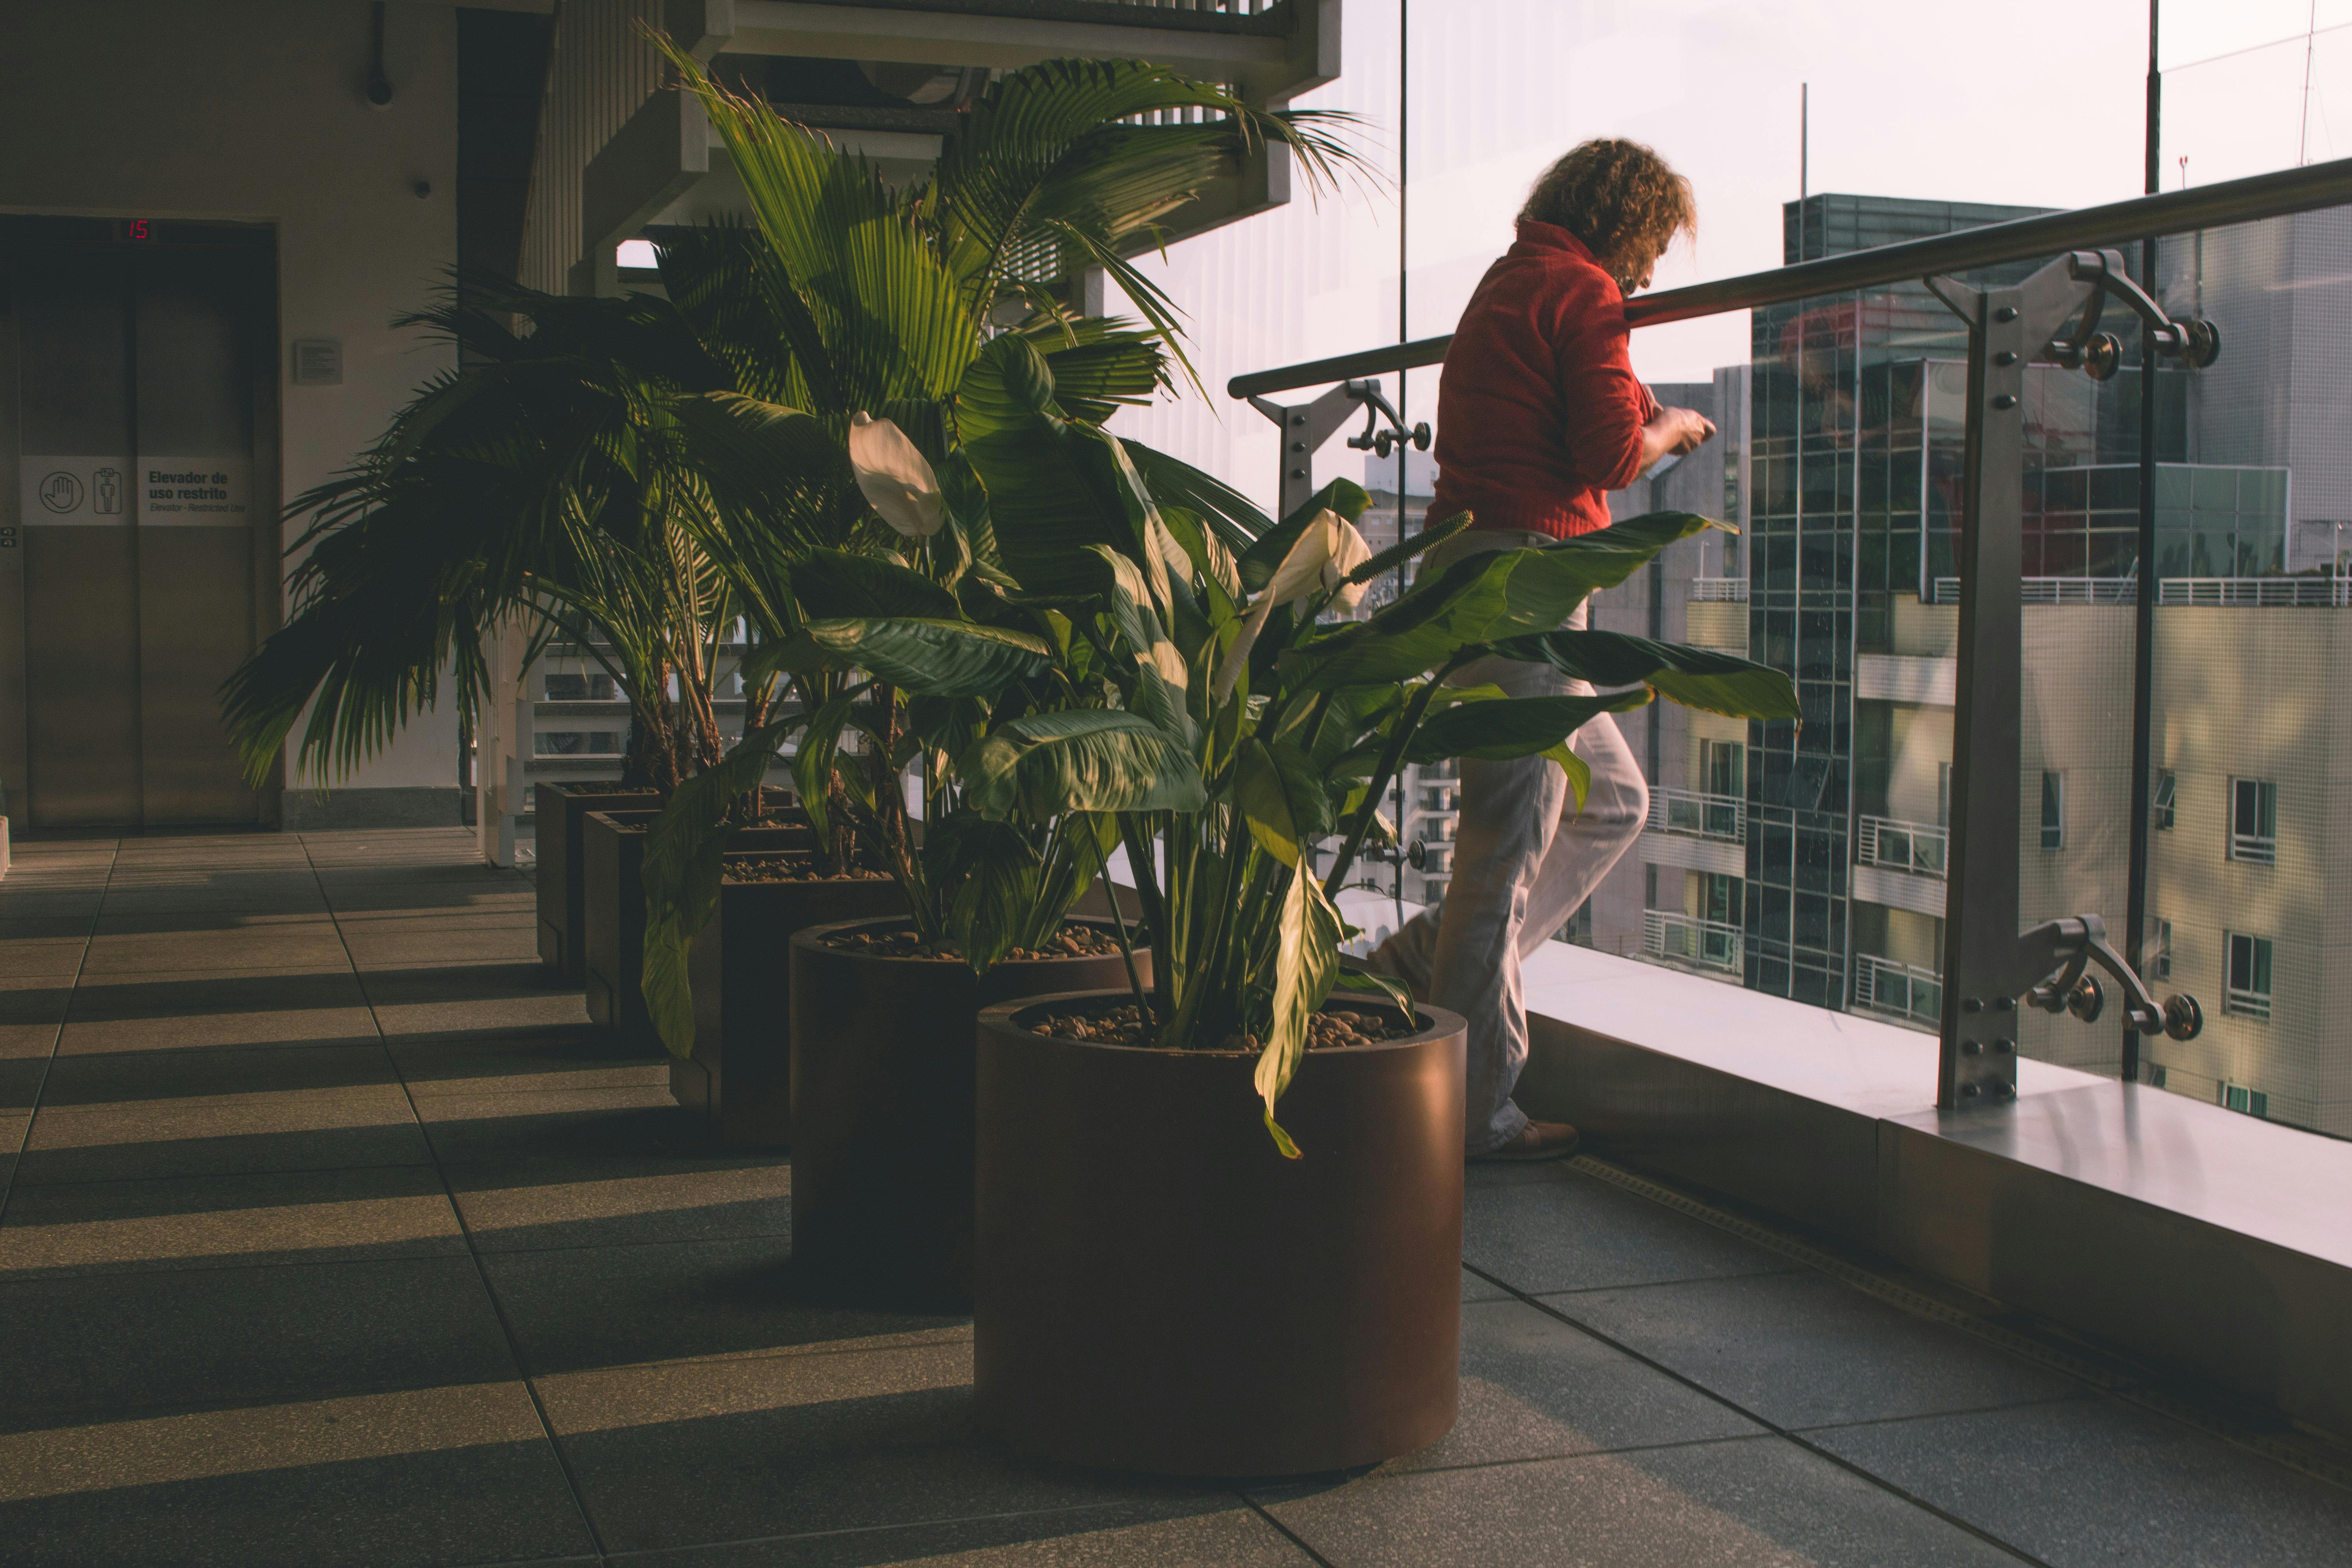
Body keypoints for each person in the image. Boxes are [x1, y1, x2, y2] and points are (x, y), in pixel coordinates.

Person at [1370, 139, 1715, 1161]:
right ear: (1627, 226)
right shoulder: (1586, 290)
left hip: (1479, 572)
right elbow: (1609, 454)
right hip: (1523, 583)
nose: (1649, 276)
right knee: (1508, 846)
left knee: (1610, 799)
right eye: (1652, 248)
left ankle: (1421, 970)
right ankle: (1476, 1107)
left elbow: (1553, 410)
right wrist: (1676, 430)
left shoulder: (1514, 279)